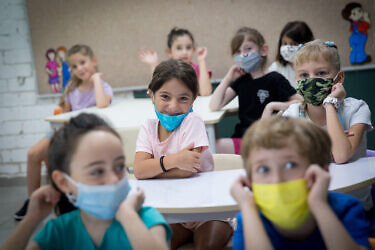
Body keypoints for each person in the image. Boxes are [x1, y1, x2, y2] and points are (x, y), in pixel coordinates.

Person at [2, 113, 171, 250]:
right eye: (97, 171)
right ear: (64, 182)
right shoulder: (59, 231)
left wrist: (127, 214)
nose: (113, 179)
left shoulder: (147, 218)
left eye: (119, 167)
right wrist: (31, 220)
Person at [134, 59, 233, 250]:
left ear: (194, 98)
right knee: (157, 244)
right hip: (176, 213)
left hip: (209, 211)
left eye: (183, 98)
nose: (173, 106)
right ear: (151, 94)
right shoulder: (148, 126)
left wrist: (152, 170)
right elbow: (139, 170)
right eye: (165, 96)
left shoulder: (192, 120)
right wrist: (174, 160)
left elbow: (188, 170)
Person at [230, 116, 371, 250]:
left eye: (291, 165)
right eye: (263, 169)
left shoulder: (346, 209)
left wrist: (319, 204)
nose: (277, 179)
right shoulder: (249, 220)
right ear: (250, 180)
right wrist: (247, 207)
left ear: (320, 170)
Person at [14, 44, 113, 221]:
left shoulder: (103, 87)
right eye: (74, 66)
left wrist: (96, 79)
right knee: (33, 154)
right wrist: (61, 110)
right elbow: (63, 114)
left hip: (80, 137)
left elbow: (102, 104)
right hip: (62, 133)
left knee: (60, 162)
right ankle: (33, 202)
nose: (79, 69)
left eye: (83, 63)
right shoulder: (71, 89)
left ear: (94, 61)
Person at [282, 39, 374, 224]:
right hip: (308, 206)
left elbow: (340, 156)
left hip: (351, 206)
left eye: (321, 73)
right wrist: (327, 149)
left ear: (338, 79)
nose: (311, 80)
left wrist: (330, 103)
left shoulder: (356, 109)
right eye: (304, 75)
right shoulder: (292, 115)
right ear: (296, 80)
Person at [209, 27, 302, 154]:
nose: (243, 54)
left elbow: (300, 101)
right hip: (244, 138)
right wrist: (228, 77)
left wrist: (273, 106)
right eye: (238, 51)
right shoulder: (242, 80)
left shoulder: (275, 78)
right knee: (213, 147)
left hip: (267, 139)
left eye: (248, 49)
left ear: (263, 50)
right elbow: (215, 105)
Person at [138, 27, 213, 96]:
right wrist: (153, 65)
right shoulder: (167, 70)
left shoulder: (198, 69)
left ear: (193, 50)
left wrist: (201, 60)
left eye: (188, 47)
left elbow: (205, 93)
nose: (184, 52)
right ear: (169, 52)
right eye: (179, 48)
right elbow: (156, 91)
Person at [268, 21, 314, 88]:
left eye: (294, 44)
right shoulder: (276, 67)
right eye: (285, 43)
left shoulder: (314, 68)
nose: (288, 48)